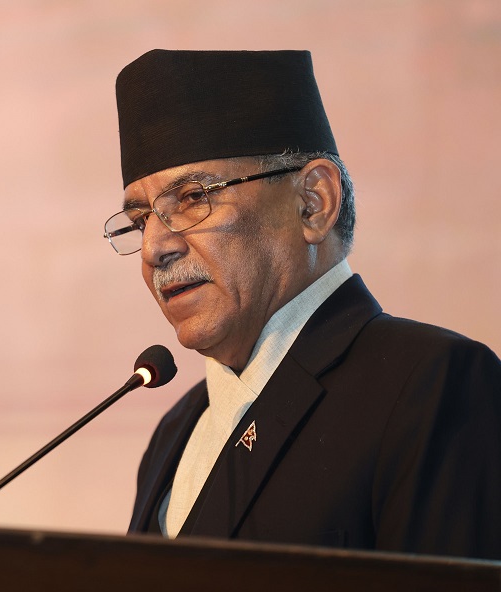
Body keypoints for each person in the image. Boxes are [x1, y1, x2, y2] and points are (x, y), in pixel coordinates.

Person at [105, 50, 501, 559]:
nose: (154, 248)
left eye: (193, 198)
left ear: (313, 203)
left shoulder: (431, 383)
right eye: (141, 220)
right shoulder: (177, 430)